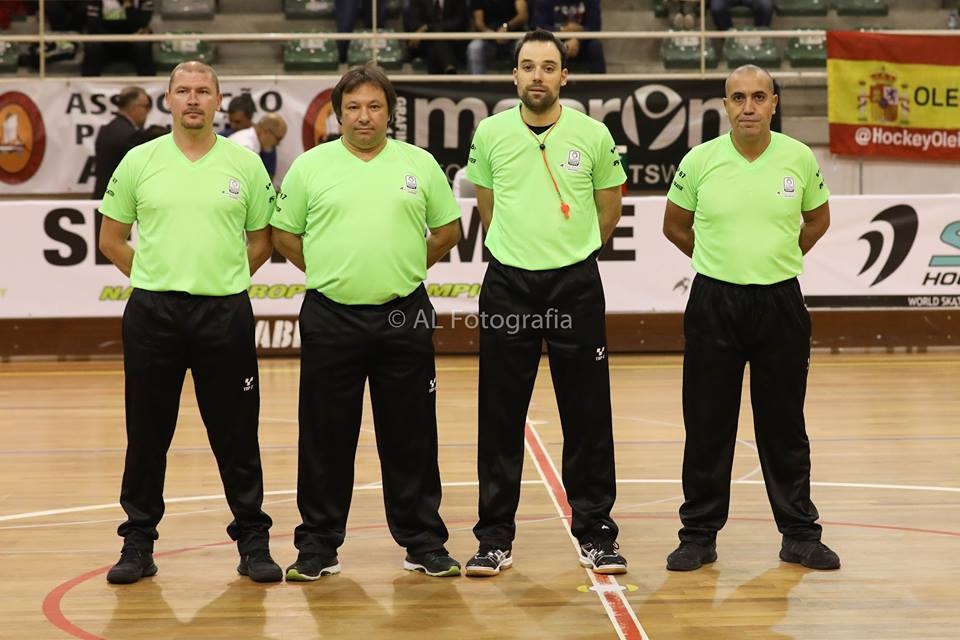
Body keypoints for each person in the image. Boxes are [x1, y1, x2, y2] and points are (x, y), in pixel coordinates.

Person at [271, 64, 463, 581]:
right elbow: (283, 235)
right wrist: (327, 270)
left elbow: (448, 230)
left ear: (390, 113)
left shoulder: (419, 163)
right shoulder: (310, 167)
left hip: (404, 314)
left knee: (411, 434)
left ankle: (423, 542)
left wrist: (408, 264)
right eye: (353, 107)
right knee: (325, 436)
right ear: (337, 114)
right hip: (330, 316)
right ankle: (317, 546)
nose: (364, 116)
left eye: (374, 106)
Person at [98, 60, 282, 585]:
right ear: (169, 99)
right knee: (147, 433)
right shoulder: (140, 160)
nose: (194, 99)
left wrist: (224, 279)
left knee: (236, 433)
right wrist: (156, 277)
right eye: (184, 90)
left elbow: (263, 240)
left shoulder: (245, 163)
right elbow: (111, 239)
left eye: (203, 91)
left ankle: (252, 540)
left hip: (224, 314)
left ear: (218, 100)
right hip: (153, 315)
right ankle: (138, 542)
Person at [661, 64, 838, 572]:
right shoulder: (700, 161)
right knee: (707, 424)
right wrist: (717, 262)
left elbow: (818, 218)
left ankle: (799, 535)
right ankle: (698, 536)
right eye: (738, 98)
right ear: (725, 105)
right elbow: (674, 225)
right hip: (713, 305)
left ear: (774, 103)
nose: (748, 107)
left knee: (784, 425)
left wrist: (780, 256)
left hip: (781, 304)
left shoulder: (798, 157)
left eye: (759, 97)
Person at [463, 29, 627, 577]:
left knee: (587, 414)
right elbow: (487, 208)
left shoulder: (593, 135)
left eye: (548, 66)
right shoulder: (490, 133)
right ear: (514, 75)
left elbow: (608, 210)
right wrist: (521, 252)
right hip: (508, 285)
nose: (538, 76)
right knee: (499, 415)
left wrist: (571, 253)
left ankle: (597, 534)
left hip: (574, 285)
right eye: (528, 66)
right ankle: (493, 538)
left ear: (564, 76)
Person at [93, 86, 151, 199]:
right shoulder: (132, 135)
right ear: (133, 107)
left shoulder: (105, 130)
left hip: (101, 196)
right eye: (145, 106)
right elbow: (137, 174)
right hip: (119, 200)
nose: (147, 112)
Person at [82, 0, 156, 76]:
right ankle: (88, 82)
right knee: (93, 44)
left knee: (142, 42)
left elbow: (141, 26)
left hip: (132, 45)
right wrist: (118, 40)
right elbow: (94, 27)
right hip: (106, 43)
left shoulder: (145, 1)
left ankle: (148, 82)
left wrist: (129, 7)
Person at [530, 0, 605, 73]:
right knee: (543, 46)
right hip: (554, 40)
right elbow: (539, 26)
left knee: (595, 46)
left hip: (583, 41)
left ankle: (599, 81)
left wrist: (577, 40)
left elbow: (595, 26)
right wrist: (562, 30)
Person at [403, 0, 470, 74]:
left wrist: (428, 27)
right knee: (436, 41)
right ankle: (449, 69)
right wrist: (433, 29)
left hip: (452, 41)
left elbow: (459, 22)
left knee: (434, 47)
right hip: (423, 42)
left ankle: (446, 71)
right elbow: (413, 22)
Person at [467, 0, 529, 74]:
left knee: (525, 47)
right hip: (488, 39)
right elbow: (478, 22)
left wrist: (507, 27)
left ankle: (525, 80)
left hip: (513, 37)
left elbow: (523, 15)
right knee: (475, 47)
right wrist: (491, 34)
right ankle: (477, 80)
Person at [229, 113, 288, 180]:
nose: (278, 143)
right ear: (266, 132)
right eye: (278, 139)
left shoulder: (249, 141)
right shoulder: (246, 147)